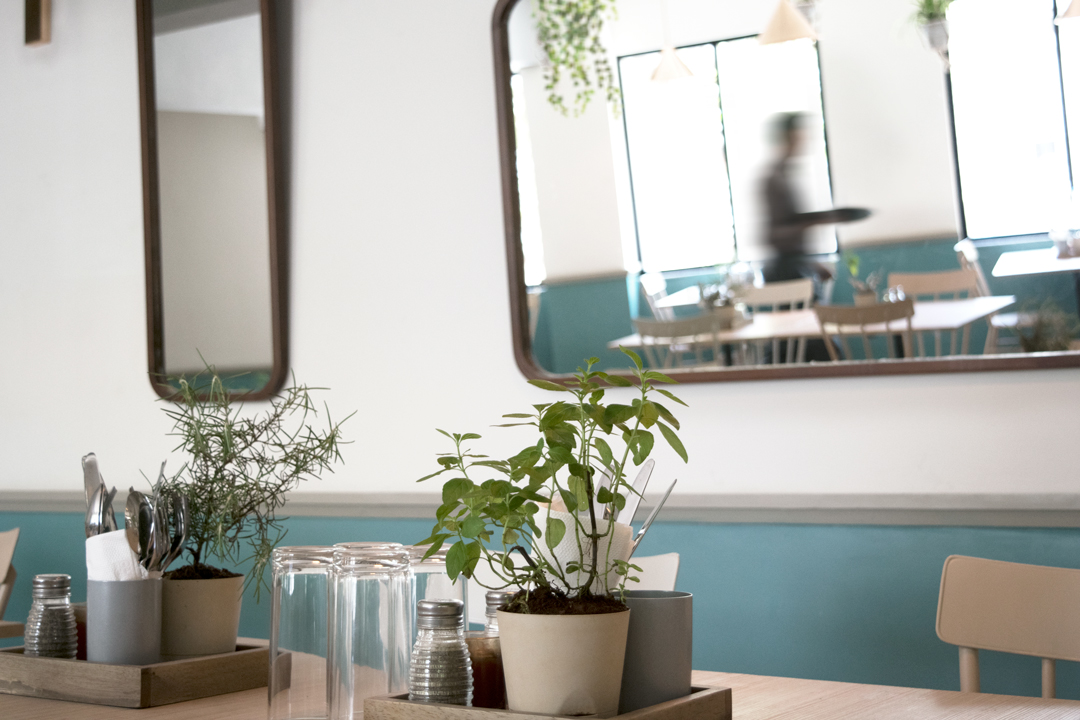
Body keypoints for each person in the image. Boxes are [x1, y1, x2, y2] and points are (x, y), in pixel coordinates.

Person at [760, 112, 837, 293]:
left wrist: (812, 263)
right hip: (785, 273)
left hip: (794, 266)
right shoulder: (775, 179)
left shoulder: (786, 175)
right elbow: (777, 236)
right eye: (799, 136)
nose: (803, 141)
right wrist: (814, 221)